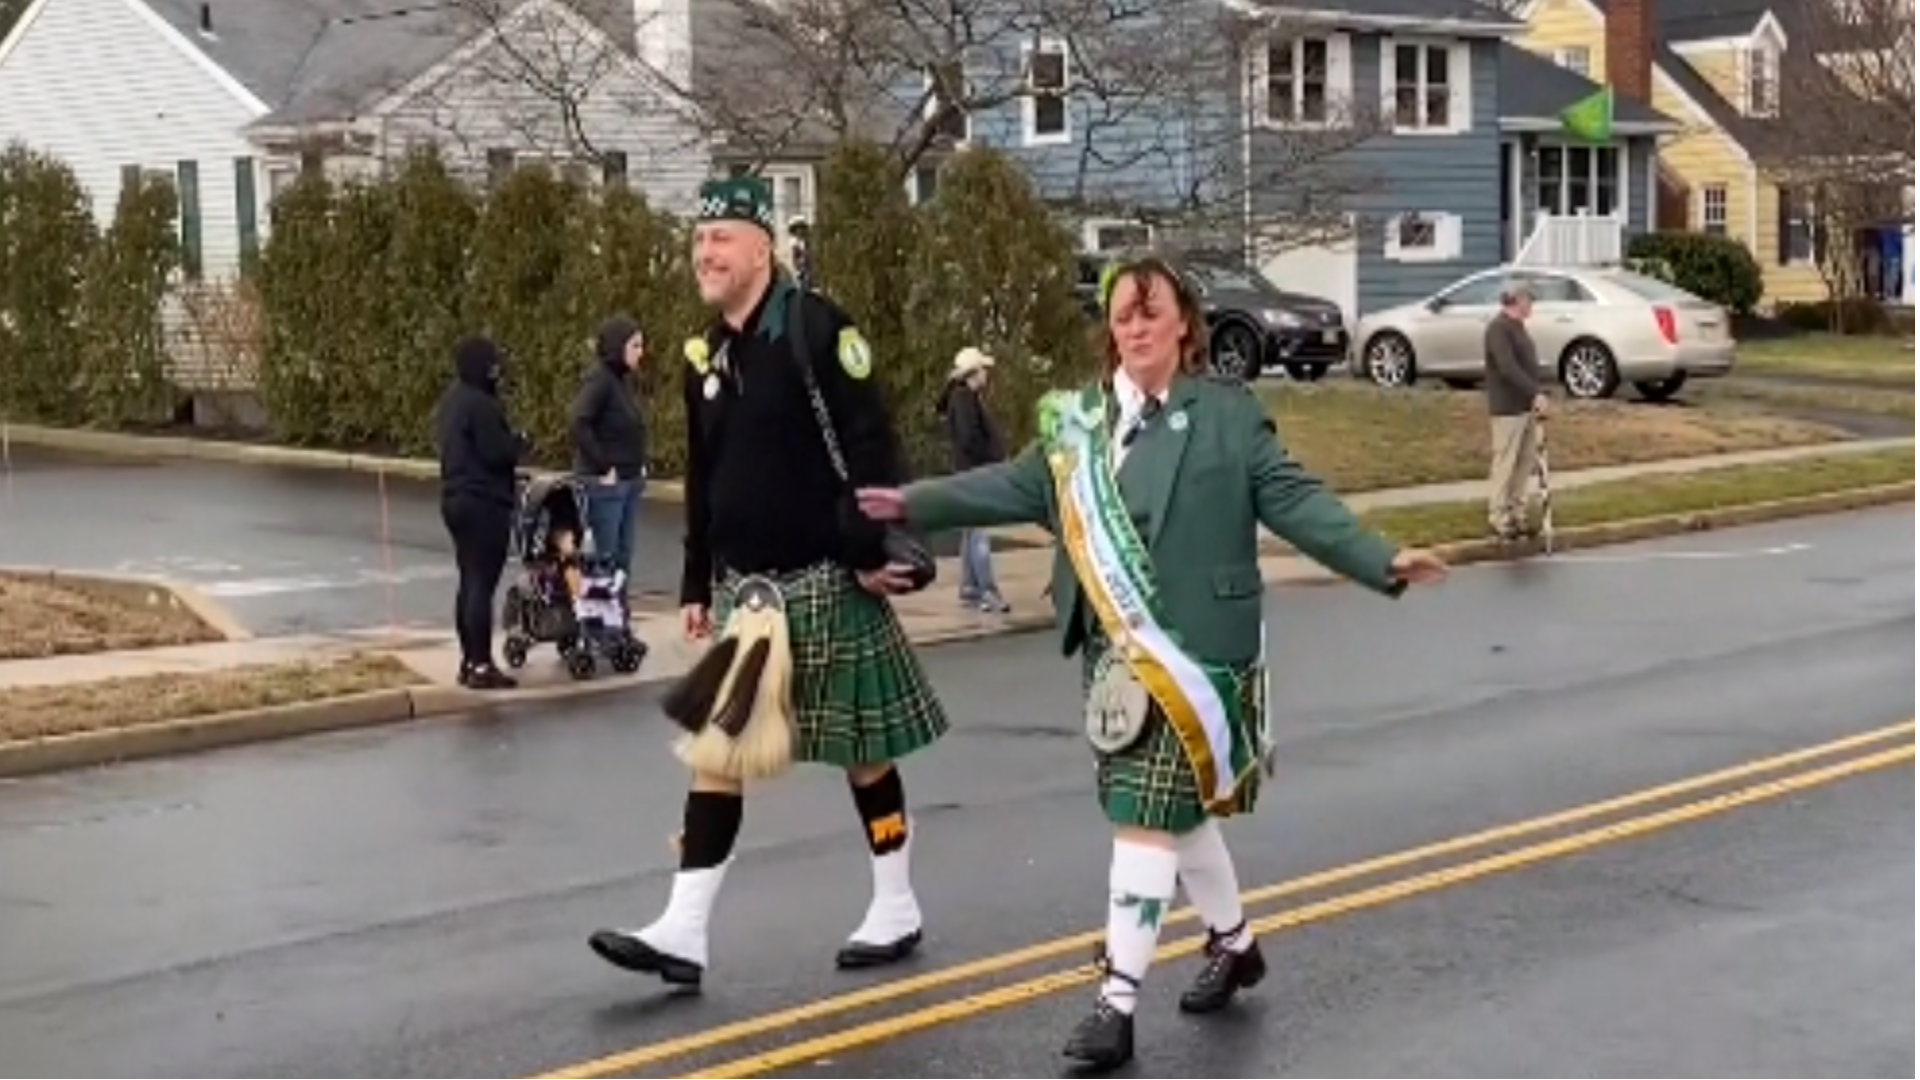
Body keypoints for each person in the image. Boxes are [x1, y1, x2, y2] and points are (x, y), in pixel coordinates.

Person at [856, 257, 1449, 1070]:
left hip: (1199, 654)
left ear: (1184, 326)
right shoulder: (1075, 425)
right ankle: (1236, 945)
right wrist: (916, 502)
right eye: (1122, 315)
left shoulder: (1227, 416)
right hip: (1117, 663)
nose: (1134, 327)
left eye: (1150, 311)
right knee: (1179, 818)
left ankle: (1116, 1000)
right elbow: (1012, 486)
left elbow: (1296, 500)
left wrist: (1380, 558)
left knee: (1145, 819)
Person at [585, 176, 949, 989]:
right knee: (716, 754)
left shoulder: (819, 329)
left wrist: (866, 546)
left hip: (826, 577)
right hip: (747, 593)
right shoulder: (706, 356)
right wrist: (693, 576)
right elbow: (706, 476)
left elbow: (871, 445)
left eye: (721, 239)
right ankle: (684, 930)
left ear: (763, 248)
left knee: (866, 753)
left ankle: (896, 903)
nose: (705, 254)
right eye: (697, 241)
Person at [435, 335, 530, 690]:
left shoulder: (452, 402)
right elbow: (495, 453)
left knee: (468, 580)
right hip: (483, 501)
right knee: (481, 585)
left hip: (454, 498)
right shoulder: (482, 405)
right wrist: (517, 443)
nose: (497, 371)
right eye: (493, 364)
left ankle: (468, 660)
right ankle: (480, 664)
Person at [571, 315, 648, 582]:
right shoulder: (600, 380)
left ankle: (618, 615)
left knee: (622, 557)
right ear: (618, 346)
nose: (641, 352)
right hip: (606, 484)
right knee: (604, 557)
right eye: (635, 346)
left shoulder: (622, 381)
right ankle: (600, 617)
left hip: (629, 480)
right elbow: (580, 422)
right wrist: (604, 466)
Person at [936, 345, 1010, 613]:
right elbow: (970, 438)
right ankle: (987, 591)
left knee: (970, 532)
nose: (986, 375)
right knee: (979, 535)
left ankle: (969, 588)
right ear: (972, 373)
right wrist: (991, 458)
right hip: (975, 472)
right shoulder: (965, 399)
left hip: (967, 472)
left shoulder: (962, 398)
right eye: (982, 370)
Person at [1483, 281, 1549, 541]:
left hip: (1526, 407)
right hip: (1507, 407)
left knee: (1524, 463)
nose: (1531, 304)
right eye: (1528, 299)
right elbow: (1507, 368)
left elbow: (1528, 366)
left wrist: (1538, 393)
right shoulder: (1498, 329)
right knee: (1505, 462)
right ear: (1515, 300)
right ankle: (1498, 516)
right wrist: (1534, 392)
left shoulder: (1520, 328)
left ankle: (1516, 512)